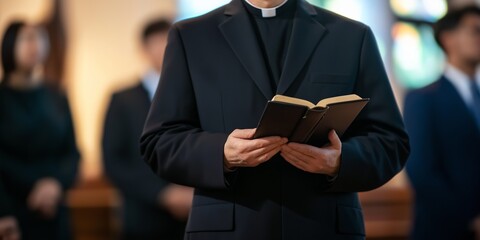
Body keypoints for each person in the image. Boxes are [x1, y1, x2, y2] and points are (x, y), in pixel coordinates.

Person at [141, 0, 410, 239]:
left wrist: (339, 161)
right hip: (229, 229)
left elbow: (391, 141)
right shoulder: (192, 37)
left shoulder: (352, 36)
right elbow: (160, 141)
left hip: (323, 226)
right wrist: (222, 153)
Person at [102, 19, 192, 240]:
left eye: (170, 41)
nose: (165, 48)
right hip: (142, 218)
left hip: (190, 214)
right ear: (144, 48)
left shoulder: (192, 93)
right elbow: (113, 161)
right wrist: (162, 193)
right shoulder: (122, 99)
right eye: (158, 41)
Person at [404, 6, 480, 240]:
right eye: (476, 31)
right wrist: (471, 219)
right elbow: (421, 171)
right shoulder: (423, 98)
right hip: (444, 230)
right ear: (448, 39)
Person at [0, 21, 80, 240]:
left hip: (54, 207)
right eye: (27, 38)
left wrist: (54, 184)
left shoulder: (57, 96)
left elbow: (72, 152)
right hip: (10, 208)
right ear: (9, 45)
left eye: (40, 38)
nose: (36, 44)